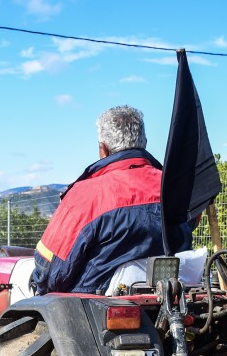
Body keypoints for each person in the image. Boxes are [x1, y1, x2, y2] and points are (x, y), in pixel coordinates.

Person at [31, 105, 195, 295]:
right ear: (144, 143)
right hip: (171, 298)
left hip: (92, 309)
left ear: (103, 149)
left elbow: (52, 273)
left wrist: (38, 284)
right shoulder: (177, 188)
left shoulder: (85, 194)